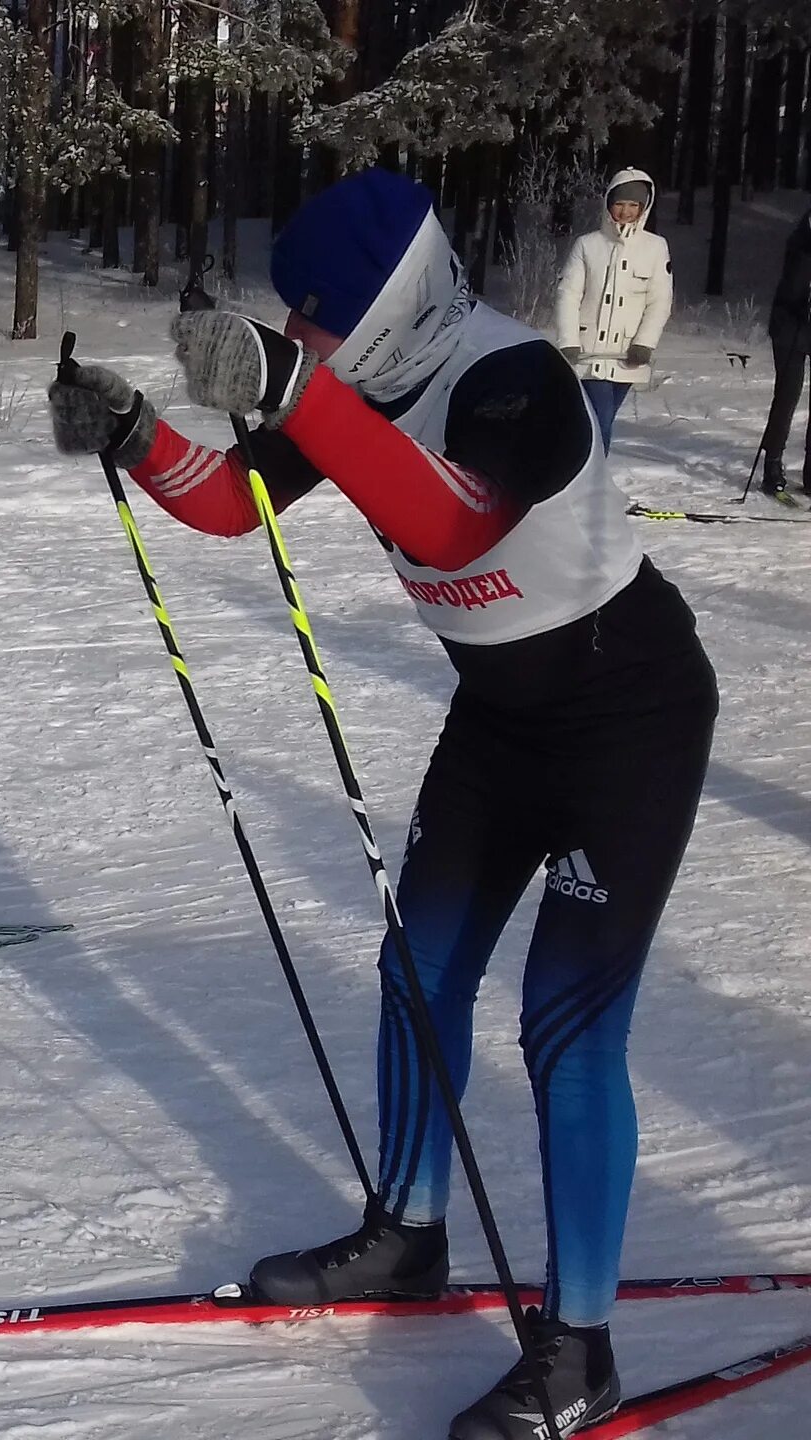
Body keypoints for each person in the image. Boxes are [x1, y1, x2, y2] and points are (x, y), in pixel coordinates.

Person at [48, 170, 717, 1440]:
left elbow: (457, 521)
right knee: (417, 972)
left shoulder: (514, 374)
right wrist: (130, 425)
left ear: (387, 306)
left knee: (568, 1026)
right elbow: (232, 500)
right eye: (297, 336)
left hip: (625, 712)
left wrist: (298, 391)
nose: (303, 350)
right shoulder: (350, 388)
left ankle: (580, 1349)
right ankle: (408, 1232)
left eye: (318, 330)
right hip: (501, 719)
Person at [553, 169, 673, 451]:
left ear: (643, 208)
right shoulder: (588, 244)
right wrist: (569, 341)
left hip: (627, 356)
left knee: (597, 423)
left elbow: (660, 301)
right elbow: (567, 295)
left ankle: (586, 478)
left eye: (634, 205)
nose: (626, 211)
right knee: (599, 423)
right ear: (609, 203)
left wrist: (644, 343)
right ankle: (592, 484)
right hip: (589, 353)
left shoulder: (655, 247)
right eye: (620, 203)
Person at [759, 203, 811, 495]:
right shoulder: (800, 242)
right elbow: (792, 288)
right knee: (787, 395)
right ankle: (773, 462)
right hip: (791, 326)